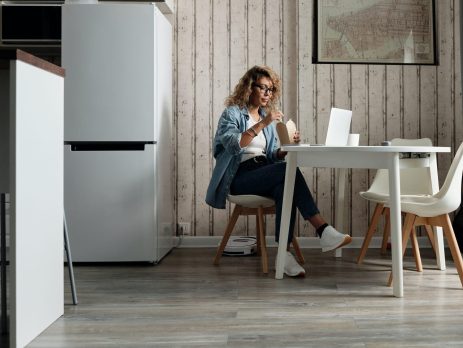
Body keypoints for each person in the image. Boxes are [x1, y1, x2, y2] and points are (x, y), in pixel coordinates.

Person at [205, 65, 352, 277]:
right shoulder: (233, 114)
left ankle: (284, 256)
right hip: (239, 177)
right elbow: (234, 145)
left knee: (286, 185)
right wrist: (264, 123)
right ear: (249, 87)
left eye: (271, 89)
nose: (267, 93)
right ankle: (322, 230)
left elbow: (270, 154)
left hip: (264, 171)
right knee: (287, 173)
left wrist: (286, 148)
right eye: (263, 88)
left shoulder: (266, 118)